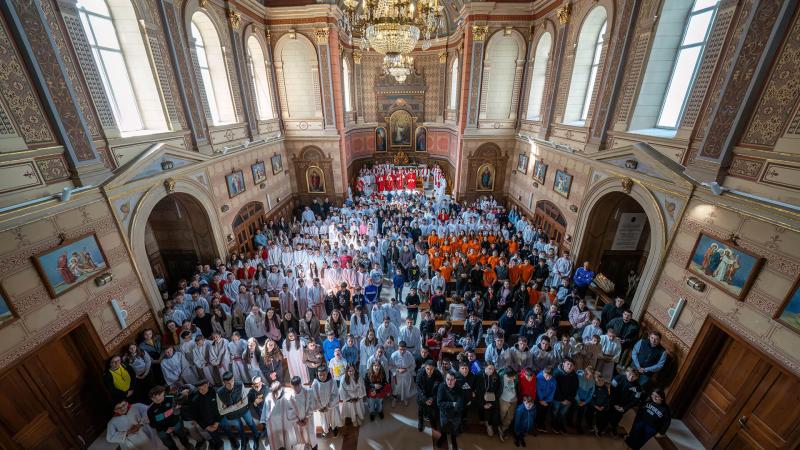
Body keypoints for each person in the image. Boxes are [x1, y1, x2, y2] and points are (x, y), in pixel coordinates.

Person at [216, 371, 260, 449]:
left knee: (251, 423)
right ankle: (244, 439)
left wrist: (228, 408)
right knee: (239, 428)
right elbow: (221, 411)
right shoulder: (219, 392)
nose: (231, 384)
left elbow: (245, 402)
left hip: (244, 410)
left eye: (232, 381)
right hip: (232, 415)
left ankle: (256, 437)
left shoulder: (240, 384)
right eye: (228, 383)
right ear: (224, 383)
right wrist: (236, 405)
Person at [146, 385, 191, 450]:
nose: (157, 398)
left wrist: (172, 425)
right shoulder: (150, 410)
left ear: (163, 392)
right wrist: (165, 429)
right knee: (166, 441)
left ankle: (187, 445)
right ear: (151, 399)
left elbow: (177, 412)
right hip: (162, 428)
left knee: (182, 434)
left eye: (159, 395)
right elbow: (152, 424)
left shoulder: (172, 398)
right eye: (154, 397)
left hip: (174, 422)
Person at [187, 379, 224, 450]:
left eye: (204, 387)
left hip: (219, 417)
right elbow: (196, 416)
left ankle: (223, 440)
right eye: (199, 388)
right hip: (207, 422)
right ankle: (218, 442)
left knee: (224, 426)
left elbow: (222, 408)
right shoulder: (195, 398)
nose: (202, 390)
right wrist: (206, 426)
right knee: (213, 434)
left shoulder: (216, 392)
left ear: (208, 384)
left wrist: (217, 422)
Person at [606, 368, 643, 437]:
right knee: (608, 412)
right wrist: (614, 403)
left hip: (623, 406)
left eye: (634, 376)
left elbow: (635, 400)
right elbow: (612, 391)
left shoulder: (638, 388)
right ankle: (604, 424)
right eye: (630, 374)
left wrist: (625, 408)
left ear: (637, 377)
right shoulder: (618, 378)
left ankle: (613, 426)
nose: (631, 377)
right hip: (613, 401)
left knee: (617, 416)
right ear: (627, 372)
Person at [262, 380, 296, 450]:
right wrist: (266, 422)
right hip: (274, 425)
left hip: (285, 423)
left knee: (286, 440)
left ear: (280, 389)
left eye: (276, 393)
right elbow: (266, 412)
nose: (275, 395)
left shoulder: (287, 396)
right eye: (273, 393)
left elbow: (293, 410)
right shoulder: (268, 398)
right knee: (276, 442)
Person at [288, 376, 318, 450]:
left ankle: (314, 446)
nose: (296, 388)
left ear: (300, 384)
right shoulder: (290, 396)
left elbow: (312, 405)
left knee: (311, 433)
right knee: (302, 435)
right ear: (291, 386)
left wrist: (306, 418)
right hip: (298, 421)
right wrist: (297, 421)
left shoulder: (309, 391)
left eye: (297, 386)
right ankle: (306, 444)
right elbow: (289, 410)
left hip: (308, 418)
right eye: (294, 386)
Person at [437, 371, 465, 450]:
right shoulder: (441, 386)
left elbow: (460, 403)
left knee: (454, 428)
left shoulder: (459, 388)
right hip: (444, 413)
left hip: (455, 413)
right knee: (443, 427)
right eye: (448, 379)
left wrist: (454, 407)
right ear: (445, 379)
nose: (449, 382)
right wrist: (452, 404)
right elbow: (439, 403)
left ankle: (453, 438)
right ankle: (443, 437)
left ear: (455, 380)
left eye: (451, 380)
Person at [312, 365, 342, 437]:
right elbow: (314, 397)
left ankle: (334, 428)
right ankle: (326, 429)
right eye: (320, 375)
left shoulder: (332, 382)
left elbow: (335, 395)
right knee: (324, 420)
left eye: (324, 375)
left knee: (333, 418)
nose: (322, 377)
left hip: (331, 406)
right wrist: (319, 407)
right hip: (322, 407)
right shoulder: (315, 384)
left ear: (327, 373)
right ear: (317, 374)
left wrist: (328, 406)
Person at [416, 359, 443, 432]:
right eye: (427, 369)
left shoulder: (438, 374)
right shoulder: (420, 373)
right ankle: (420, 421)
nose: (429, 371)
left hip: (433, 395)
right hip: (423, 395)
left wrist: (433, 398)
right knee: (420, 409)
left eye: (431, 369)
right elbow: (418, 388)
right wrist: (425, 399)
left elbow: (440, 389)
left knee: (432, 409)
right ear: (425, 367)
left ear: (434, 368)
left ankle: (432, 420)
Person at [478, 362, 502, 437]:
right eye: (489, 369)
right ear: (485, 368)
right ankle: (489, 426)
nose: (491, 371)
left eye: (493, 369)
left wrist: (495, 398)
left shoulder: (496, 376)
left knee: (496, 409)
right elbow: (477, 391)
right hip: (482, 397)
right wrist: (484, 403)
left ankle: (495, 425)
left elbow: (499, 389)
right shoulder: (479, 376)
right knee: (485, 410)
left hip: (492, 397)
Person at [390, 341, 417, 407]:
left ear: (406, 348)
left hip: (406, 374)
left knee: (406, 387)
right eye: (400, 349)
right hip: (397, 374)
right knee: (396, 388)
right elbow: (390, 365)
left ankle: (405, 398)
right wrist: (397, 369)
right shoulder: (394, 355)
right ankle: (394, 399)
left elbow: (413, 365)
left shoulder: (409, 355)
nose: (402, 351)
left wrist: (406, 369)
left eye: (404, 349)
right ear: (398, 348)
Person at [498, 368, 519, 442]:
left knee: (510, 416)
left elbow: (517, 386)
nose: (513, 378)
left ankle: (503, 428)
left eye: (514, 376)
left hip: (514, 399)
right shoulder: (501, 376)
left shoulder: (515, 376)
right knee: (502, 414)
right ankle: (501, 426)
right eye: (511, 377)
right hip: (503, 399)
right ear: (506, 375)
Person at [535, 367, 556, 433]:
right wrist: (541, 400)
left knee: (544, 412)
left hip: (547, 400)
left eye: (550, 377)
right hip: (539, 399)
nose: (548, 378)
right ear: (543, 373)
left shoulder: (553, 380)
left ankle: (542, 423)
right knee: (539, 412)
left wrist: (547, 400)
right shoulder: (538, 378)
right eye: (546, 376)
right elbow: (538, 390)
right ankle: (538, 424)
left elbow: (553, 391)